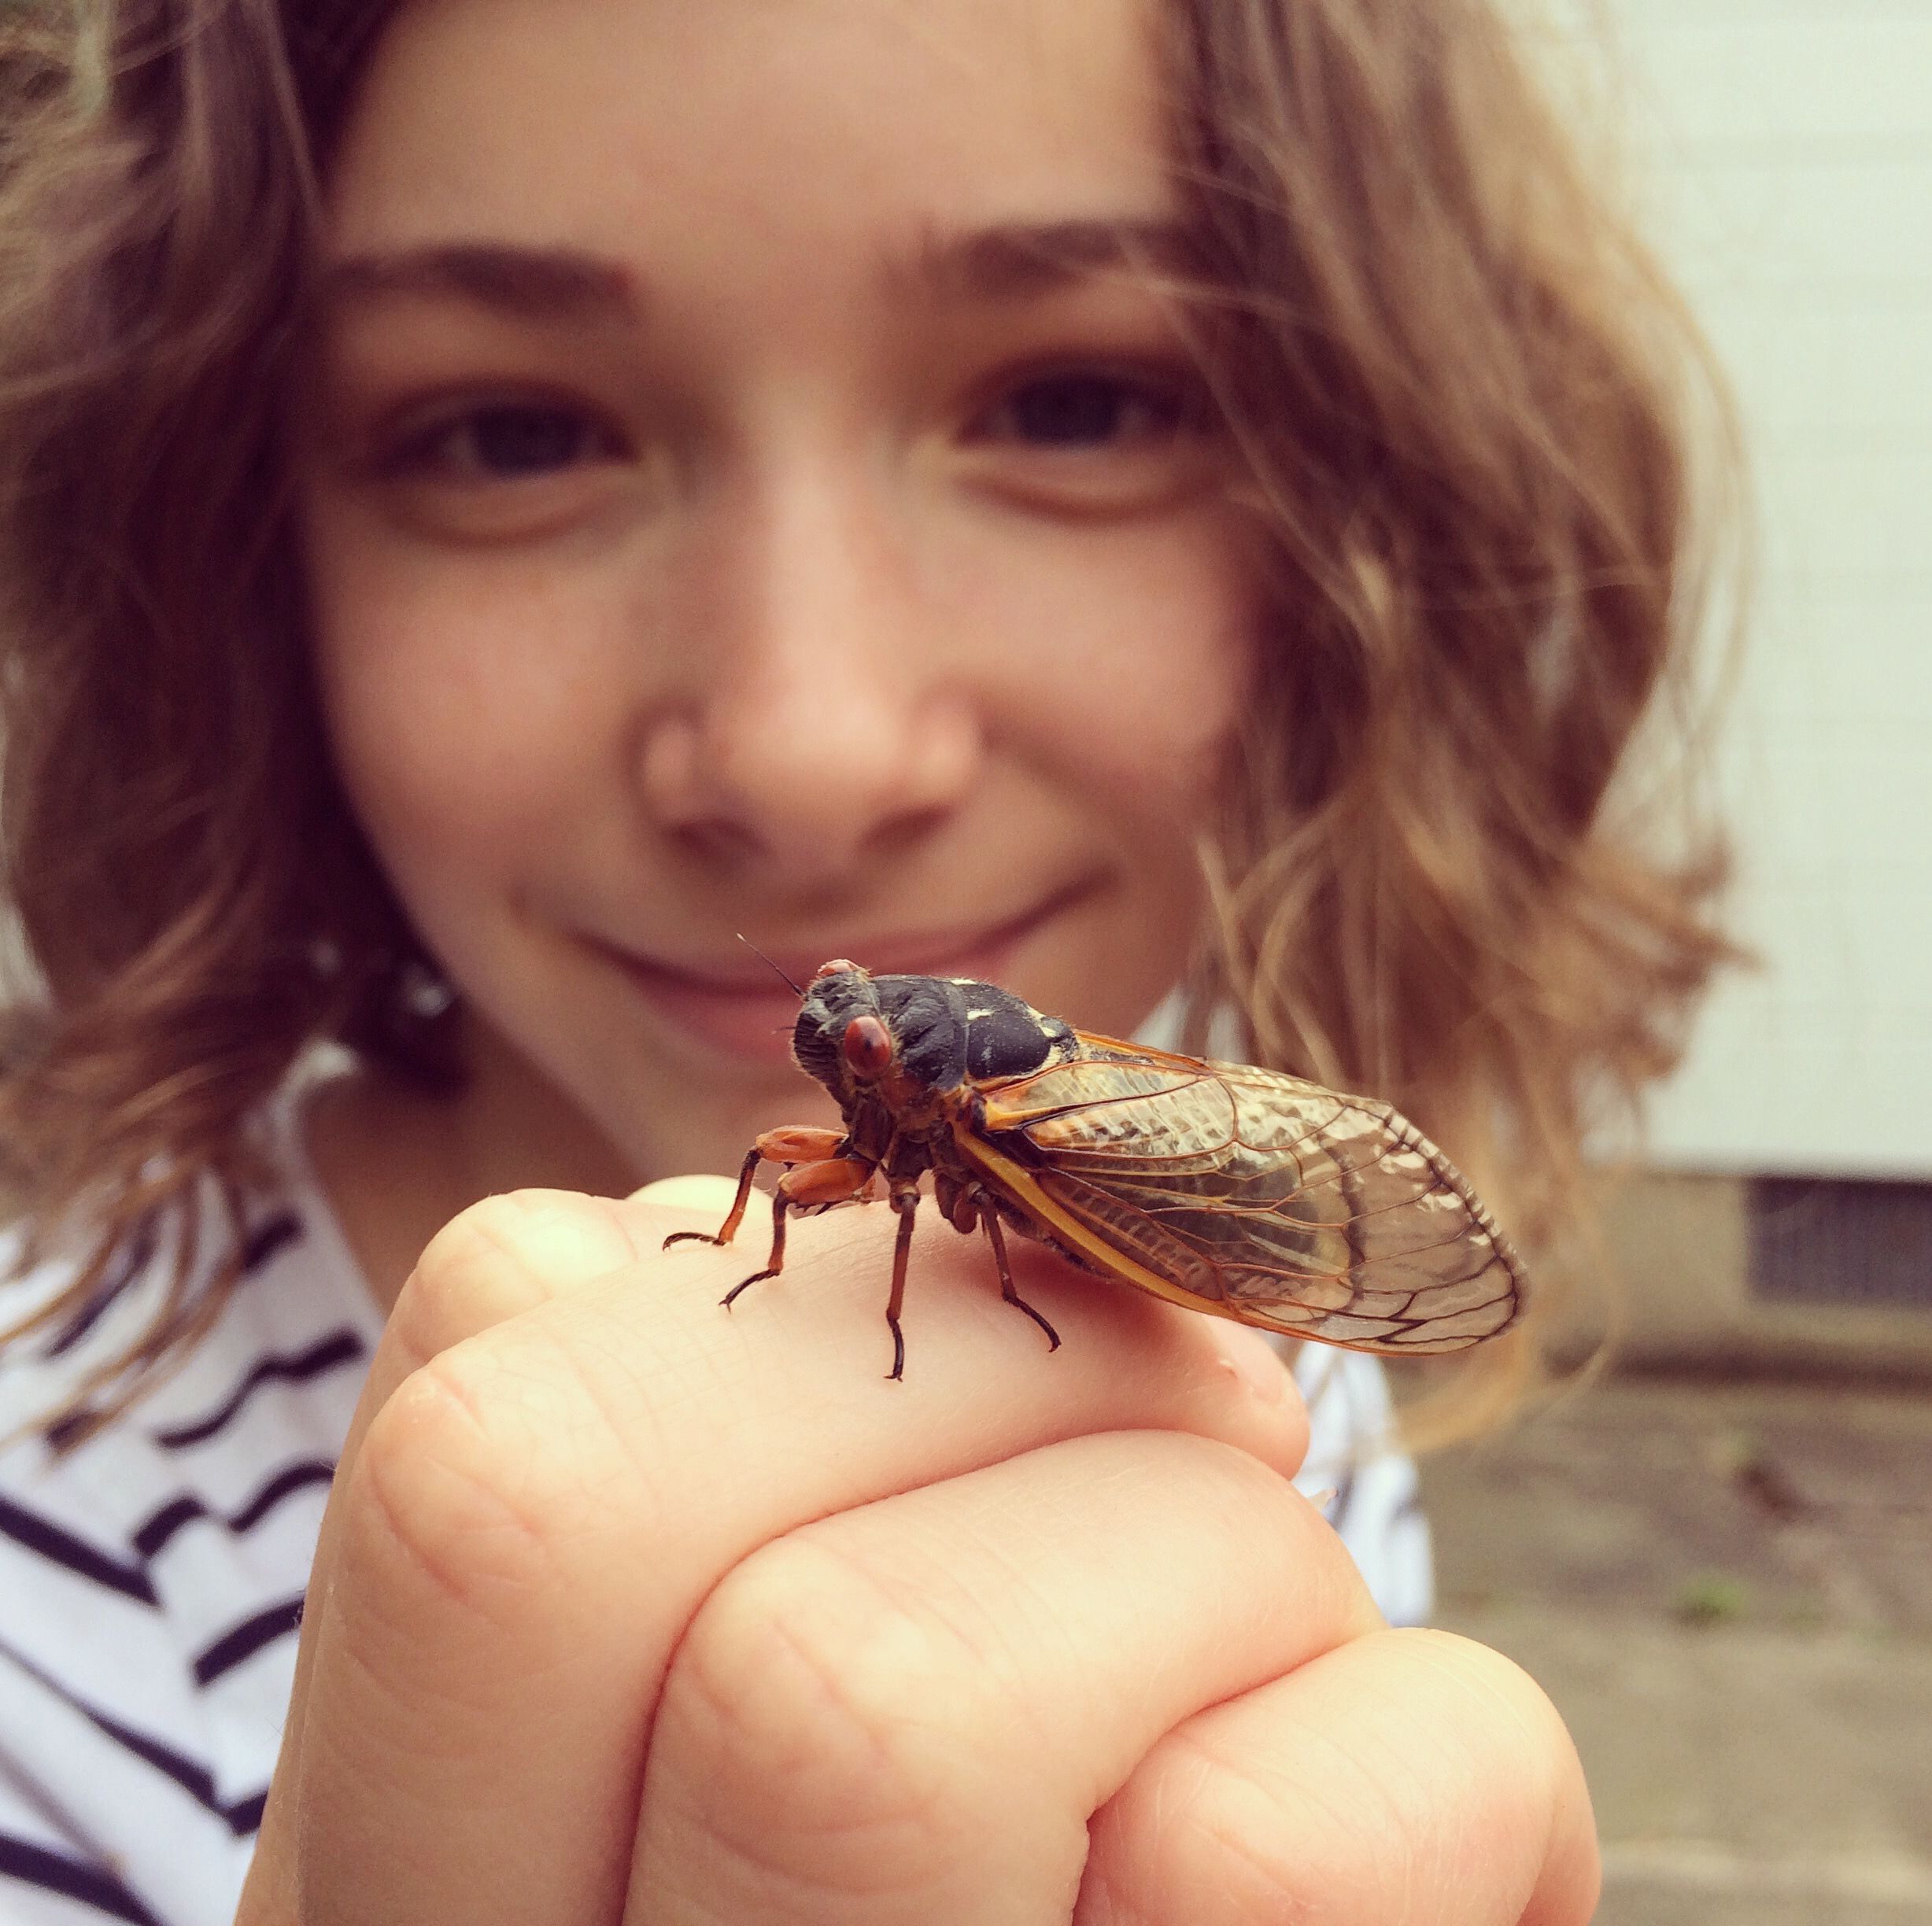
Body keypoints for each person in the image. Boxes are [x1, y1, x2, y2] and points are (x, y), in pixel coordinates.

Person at [0, 0, 1734, 1917]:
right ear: (235, 564)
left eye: (1074, 402)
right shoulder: (48, 1603)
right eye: (509, 433)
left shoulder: (1259, 1377)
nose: (803, 755)